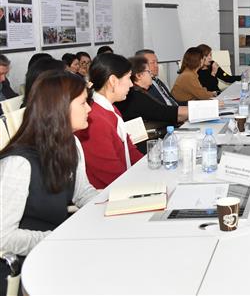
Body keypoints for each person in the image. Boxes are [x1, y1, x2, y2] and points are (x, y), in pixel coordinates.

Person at [0, 71, 97, 284]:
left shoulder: (71, 143)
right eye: (83, 103)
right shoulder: (18, 164)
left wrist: (110, 204)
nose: (89, 109)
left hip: (55, 246)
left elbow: (82, 192)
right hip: (26, 262)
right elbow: (3, 237)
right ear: (60, 109)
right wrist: (58, 238)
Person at [75, 53, 143, 188]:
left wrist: (149, 168)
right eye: (129, 77)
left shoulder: (109, 108)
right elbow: (111, 175)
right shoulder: (94, 119)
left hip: (122, 184)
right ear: (113, 80)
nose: (131, 84)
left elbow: (130, 151)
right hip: (105, 193)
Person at [115, 56, 187, 129]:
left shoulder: (139, 92)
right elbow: (164, 112)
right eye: (148, 72)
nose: (152, 75)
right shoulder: (136, 96)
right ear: (139, 75)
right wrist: (192, 110)